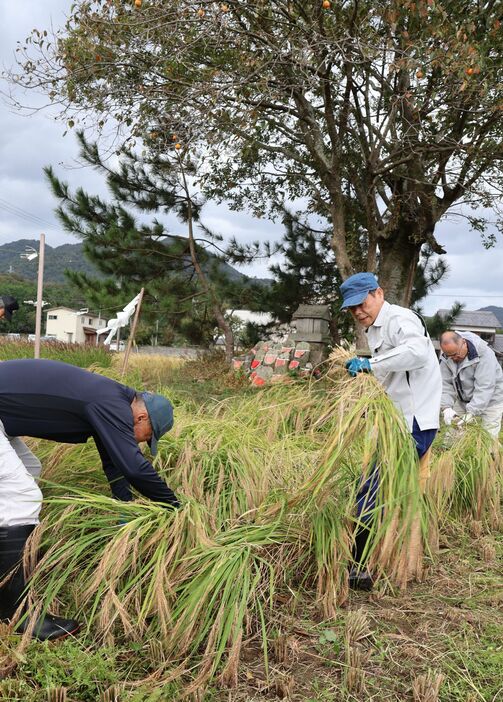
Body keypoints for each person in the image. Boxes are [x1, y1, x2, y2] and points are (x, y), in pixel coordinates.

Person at [0, 358, 179, 641]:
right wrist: (175, 506)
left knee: (28, 472)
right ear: (142, 418)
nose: (142, 443)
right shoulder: (110, 403)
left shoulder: (111, 400)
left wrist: (125, 511)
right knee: (22, 495)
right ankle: (17, 613)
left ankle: (7, 562)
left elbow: (116, 465)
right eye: (146, 439)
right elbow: (134, 467)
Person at [339, 272, 441, 590]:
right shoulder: (375, 328)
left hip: (413, 423)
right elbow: (394, 374)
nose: (357, 311)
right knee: (381, 488)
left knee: (371, 489)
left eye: (361, 303)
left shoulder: (400, 318)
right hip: (395, 421)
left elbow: (416, 352)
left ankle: (360, 565)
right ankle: (394, 555)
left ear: (378, 293)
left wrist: (371, 364)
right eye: (351, 308)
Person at [439, 330, 503, 438]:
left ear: (463, 342)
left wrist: (471, 412)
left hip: (491, 400)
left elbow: (485, 387)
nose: (454, 358)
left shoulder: (484, 353)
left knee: (488, 438)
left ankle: (491, 454)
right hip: (462, 400)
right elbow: (445, 384)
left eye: (455, 354)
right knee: (452, 436)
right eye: (449, 356)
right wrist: (446, 408)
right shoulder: (447, 356)